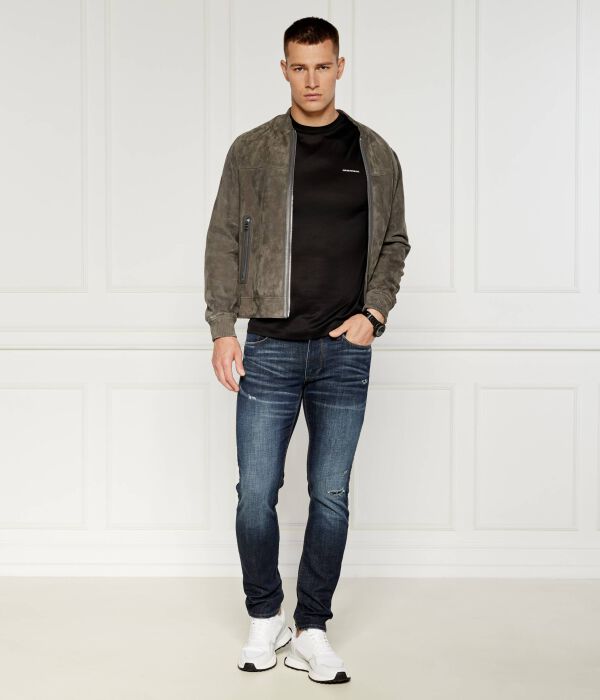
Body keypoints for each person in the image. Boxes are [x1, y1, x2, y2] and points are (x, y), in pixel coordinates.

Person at [204, 16, 410, 684]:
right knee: (255, 493)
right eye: (300, 67)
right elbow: (223, 239)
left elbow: (394, 242)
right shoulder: (252, 150)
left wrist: (374, 313)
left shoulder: (375, 152)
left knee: (331, 495)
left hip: (344, 353)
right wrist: (222, 328)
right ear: (284, 69)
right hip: (269, 348)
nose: (312, 79)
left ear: (339, 67)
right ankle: (266, 616)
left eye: (323, 66)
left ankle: (312, 627)